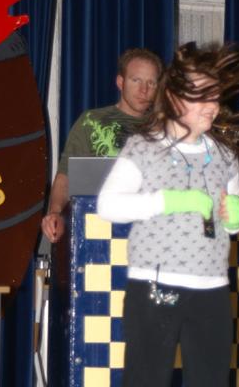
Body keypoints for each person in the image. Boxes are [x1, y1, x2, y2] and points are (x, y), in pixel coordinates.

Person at [81, 42, 239, 387]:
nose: (211, 106)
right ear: (175, 97)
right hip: (155, 287)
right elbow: (109, 206)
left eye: (216, 97)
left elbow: (233, 217)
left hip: (212, 292)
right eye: (201, 97)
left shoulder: (223, 155)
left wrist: (236, 217)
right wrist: (169, 200)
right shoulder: (145, 147)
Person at [41, 48, 163, 242]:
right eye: (136, 80)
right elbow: (66, 175)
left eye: (151, 83)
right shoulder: (91, 121)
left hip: (151, 233)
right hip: (97, 229)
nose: (144, 90)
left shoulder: (166, 128)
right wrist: (55, 213)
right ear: (120, 82)